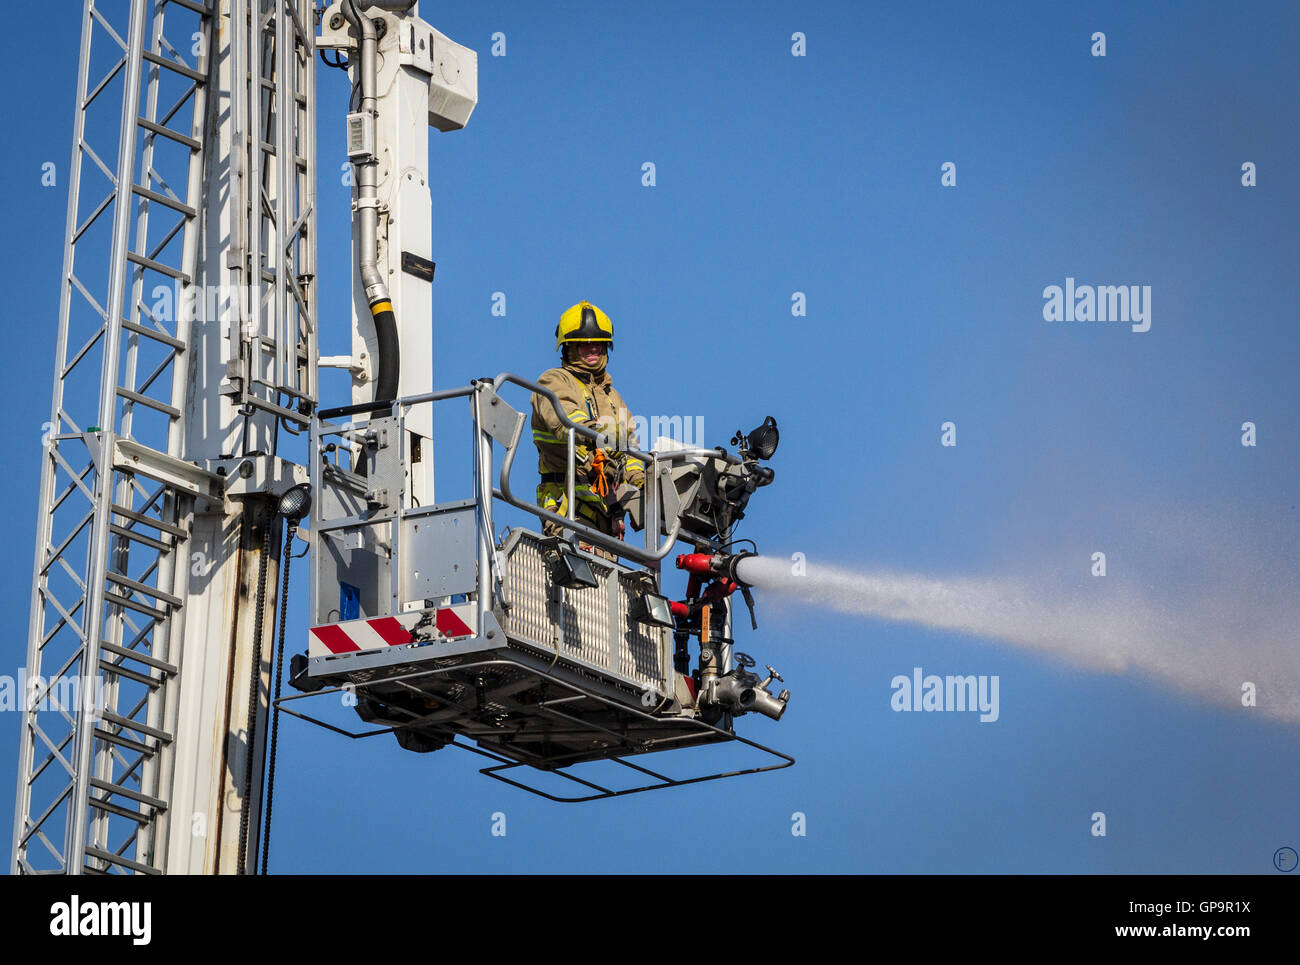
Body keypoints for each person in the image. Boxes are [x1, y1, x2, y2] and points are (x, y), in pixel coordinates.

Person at [531, 300, 645, 560]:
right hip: (568, 510)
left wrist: (641, 482)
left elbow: (631, 449)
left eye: (598, 343)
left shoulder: (613, 397)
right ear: (569, 348)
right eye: (584, 343)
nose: (592, 348)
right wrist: (601, 435)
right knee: (577, 584)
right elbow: (565, 420)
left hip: (608, 519)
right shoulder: (554, 380)